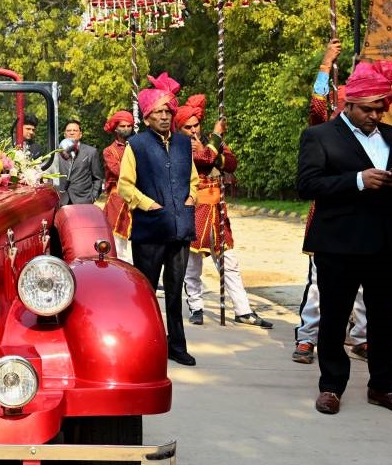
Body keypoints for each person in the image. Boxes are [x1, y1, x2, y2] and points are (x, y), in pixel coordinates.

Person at [298, 59, 392, 416]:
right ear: (348, 103)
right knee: (335, 316)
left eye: (380, 109)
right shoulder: (319, 136)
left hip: (390, 241)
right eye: (368, 109)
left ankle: (384, 387)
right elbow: (307, 184)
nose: (375, 116)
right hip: (340, 243)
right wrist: (357, 180)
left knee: (385, 319)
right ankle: (331, 386)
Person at [293, 39, 368, 364]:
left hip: (366, 217)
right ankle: (308, 337)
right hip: (329, 217)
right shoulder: (324, 130)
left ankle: (364, 337)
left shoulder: (377, 133)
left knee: (366, 284)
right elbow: (316, 106)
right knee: (317, 285)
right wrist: (326, 64)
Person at [117, 73, 199, 366]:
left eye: (168, 111)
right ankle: (144, 346)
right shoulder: (136, 145)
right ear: (148, 118)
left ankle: (176, 346)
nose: (165, 117)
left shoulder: (182, 144)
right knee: (146, 293)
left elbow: (193, 179)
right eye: (158, 112)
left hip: (180, 229)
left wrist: (192, 198)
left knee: (176, 291)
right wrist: (148, 205)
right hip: (150, 230)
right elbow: (124, 185)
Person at [175, 95, 273, 329]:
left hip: (217, 208)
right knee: (192, 263)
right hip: (194, 207)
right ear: (179, 128)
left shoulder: (210, 140)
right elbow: (202, 159)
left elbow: (230, 163)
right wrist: (214, 142)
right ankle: (196, 307)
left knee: (229, 262)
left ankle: (243, 310)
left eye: (195, 125)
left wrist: (215, 149)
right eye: (187, 127)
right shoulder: (177, 145)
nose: (193, 130)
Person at [101, 110, 134, 262]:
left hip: (138, 200)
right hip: (117, 201)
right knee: (118, 247)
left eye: (129, 125)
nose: (126, 128)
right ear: (115, 128)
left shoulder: (138, 146)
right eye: (123, 126)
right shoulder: (109, 151)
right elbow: (119, 171)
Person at [49, 119, 103, 205]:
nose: (72, 133)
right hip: (62, 201)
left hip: (83, 201)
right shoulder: (56, 154)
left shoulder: (91, 152)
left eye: (75, 130)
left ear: (80, 134)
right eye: (69, 130)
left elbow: (97, 178)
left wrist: (93, 196)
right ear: (64, 134)